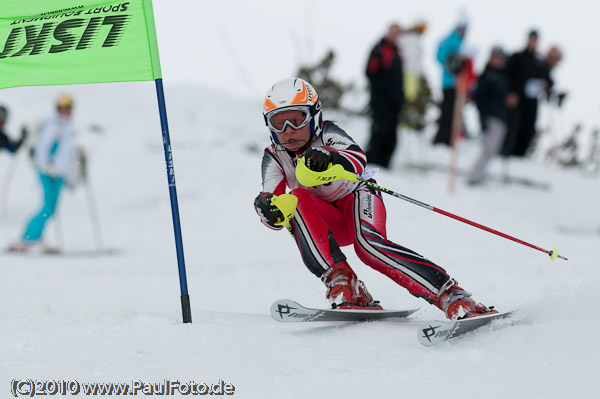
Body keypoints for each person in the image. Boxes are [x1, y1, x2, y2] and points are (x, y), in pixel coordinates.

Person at [254, 77, 497, 320]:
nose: (288, 130)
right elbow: (274, 208)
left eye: (296, 120)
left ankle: (452, 295)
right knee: (295, 200)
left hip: (356, 198)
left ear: (314, 116)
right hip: (325, 225)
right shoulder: (274, 156)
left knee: (368, 247)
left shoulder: (327, 133)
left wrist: (330, 158)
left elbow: (358, 159)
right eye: (278, 123)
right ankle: (346, 283)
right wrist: (268, 210)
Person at [9, 95, 76, 252]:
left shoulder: (65, 125)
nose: (67, 110)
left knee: (51, 207)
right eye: (64, 107)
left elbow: (64, 151)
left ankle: (35, 237)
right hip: (49, 172)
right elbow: (43, 148)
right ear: (58, 108)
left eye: (69, 107)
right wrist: (47, 166)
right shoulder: (54, 125)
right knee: (47, 207)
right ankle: (27, 239)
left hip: (58, 173)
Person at [502, 29, 551, 157]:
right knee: (512, 130)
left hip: (532, 103)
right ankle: (506, 154)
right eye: (531, 39)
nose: (533, 42)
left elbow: (548, 79)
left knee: (527, 131)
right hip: (517, 100)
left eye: (535, 40)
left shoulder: (540, 61)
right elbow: (506, 75)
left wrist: (546, 86)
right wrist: (510, 93)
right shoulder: (517, 57)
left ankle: (520, 156)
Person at [364, 23, 405, 169]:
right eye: (394, 32)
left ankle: (385, 166)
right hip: (381, 101)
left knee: (391, 136)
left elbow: (399, 78)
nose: (396, 36)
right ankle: (371, 164)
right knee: (379, 133)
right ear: (388, 32)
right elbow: (370, 72)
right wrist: (383, 90)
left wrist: (400, 97)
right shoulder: (379, 49)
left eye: (398, 33)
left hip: (394, 103)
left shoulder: (397, 52)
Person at [468, 46, 510, 185]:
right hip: (490, 117)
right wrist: (483, 117)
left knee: (493, 150)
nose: (499, 60)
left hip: (501, 117)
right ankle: (474, 177)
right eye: (497, 57)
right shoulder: (486, 76)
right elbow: (479, 98)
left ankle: (478, 176)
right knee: (488, 149)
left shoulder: (504, 77)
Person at [432, 20, 468, 146]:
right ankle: (442, 139)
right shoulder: (450, 40)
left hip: (459, 84)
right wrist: (453, 64)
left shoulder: (462, 42)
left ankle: (450, 139)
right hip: (449, 83)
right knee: (447, 111)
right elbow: (439, 57)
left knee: (454, 112)